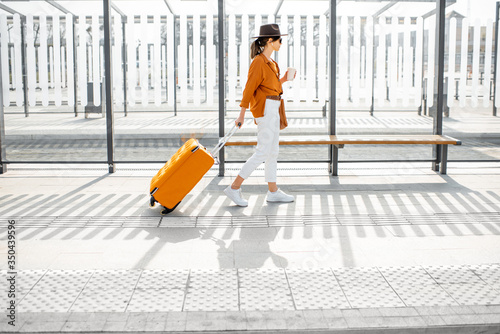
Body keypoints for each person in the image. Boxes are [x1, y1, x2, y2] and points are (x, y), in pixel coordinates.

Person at [224, 23, 295, 207]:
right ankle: (234, 187)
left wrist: (284, 79)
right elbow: (249, 89)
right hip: (266, 109)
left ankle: (273, 192)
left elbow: (272, 88)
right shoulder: (258, 62)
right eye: (279, 40)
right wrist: (241, 114)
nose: (281, 43)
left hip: (274, 106)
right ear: (270, 41)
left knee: (272, 152)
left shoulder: (272, 63)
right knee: (263, 151)